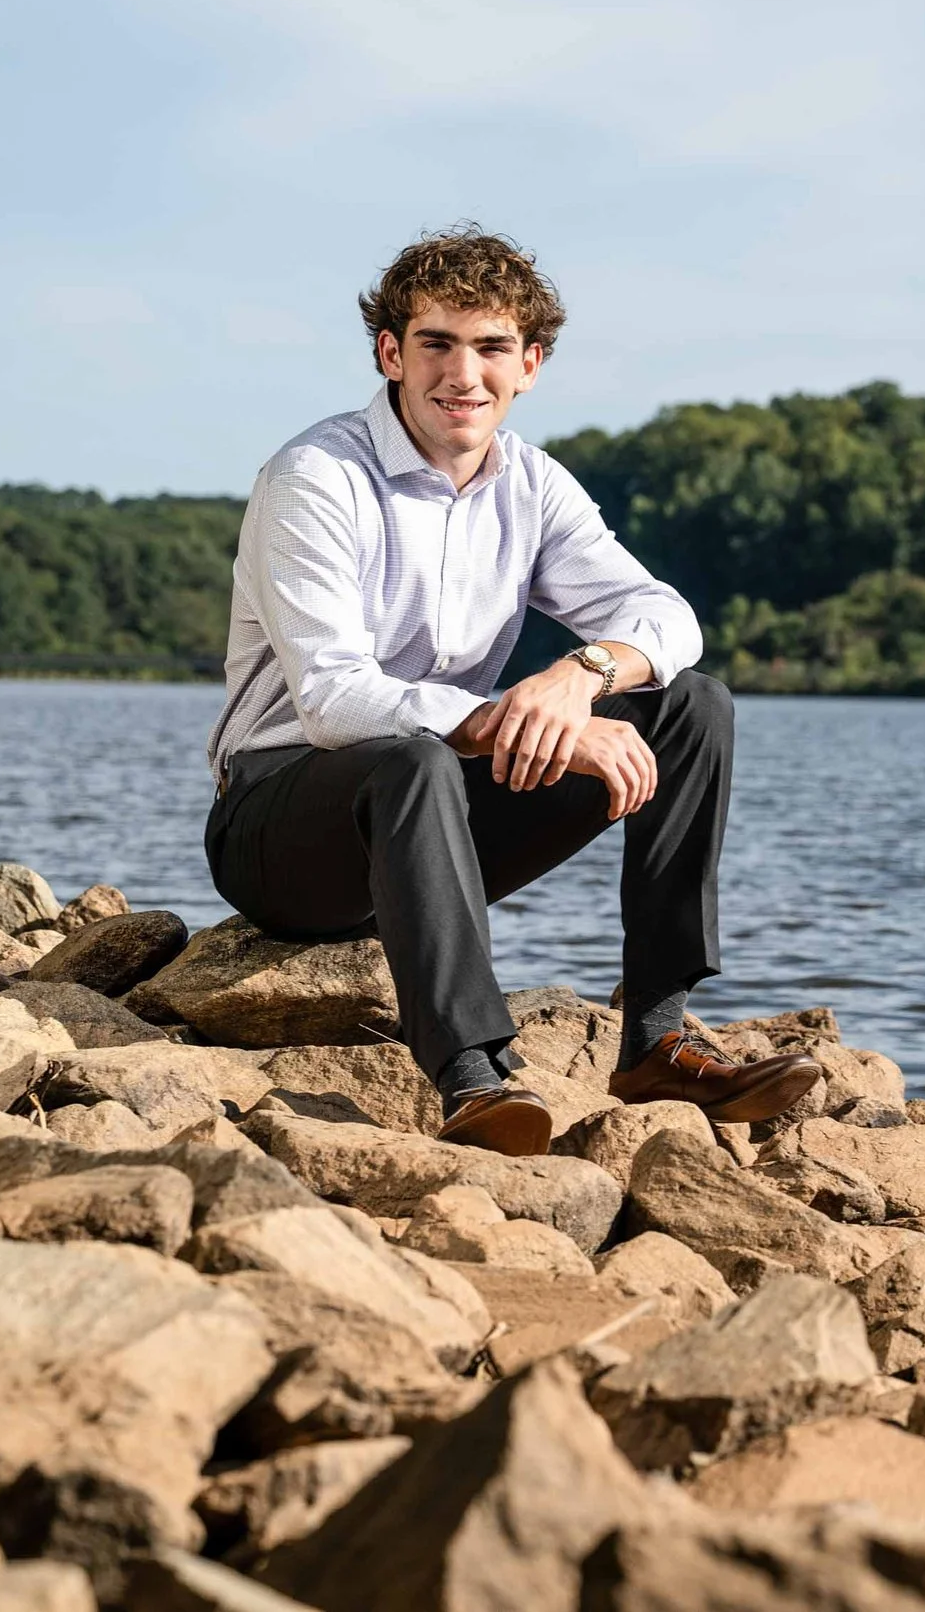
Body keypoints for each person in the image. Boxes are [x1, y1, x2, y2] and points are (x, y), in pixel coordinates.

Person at [204, 227, 824, 1156]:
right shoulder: (316, 477)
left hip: (435, 831)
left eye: (492, 347)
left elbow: (668, 618)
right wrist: (511, 719)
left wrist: (582, 674)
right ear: (390, 354)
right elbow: (334, 699)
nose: (464, 374)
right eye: (437, 344)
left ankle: (658, 1034)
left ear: (529, 364)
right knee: (410, 758)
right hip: (282, 827)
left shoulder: (532, 486)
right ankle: (468, 1076)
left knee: (692, 706)